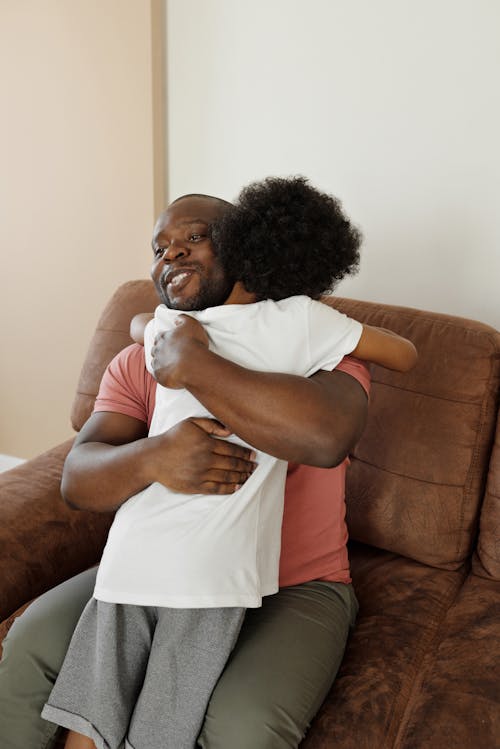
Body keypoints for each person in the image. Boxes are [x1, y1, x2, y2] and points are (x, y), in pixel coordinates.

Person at [0, 183, 406, 749]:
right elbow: (78, 479)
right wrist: (154, 457)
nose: (172, 255)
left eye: (195, 238)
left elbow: (322, 438)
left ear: (247, 251)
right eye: (160, 248)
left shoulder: (306, 342)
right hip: (164, 562)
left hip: (297, 586)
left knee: (244, 727)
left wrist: (193, 365)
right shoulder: (140, 358)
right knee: (31, 644)